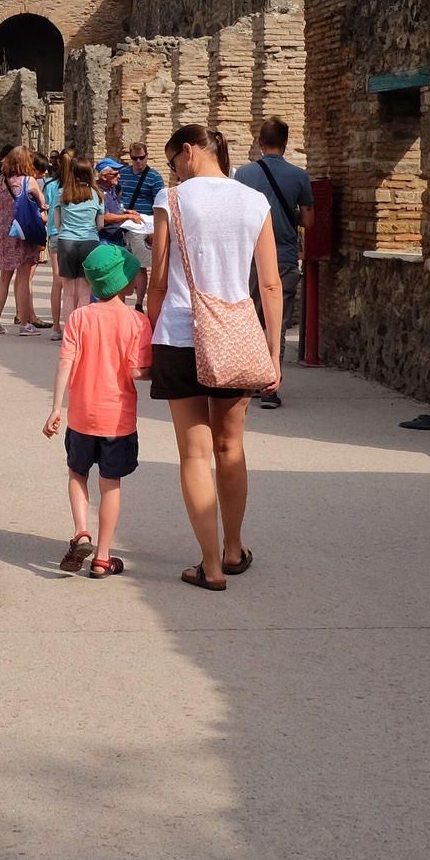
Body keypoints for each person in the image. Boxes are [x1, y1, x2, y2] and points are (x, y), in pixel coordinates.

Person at [145, 124, 282, 592]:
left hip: (181, 334)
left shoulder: (173, 199)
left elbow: (159, 280)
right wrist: (273, 350)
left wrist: (149, 334)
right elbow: (269, 284)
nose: (174, 171)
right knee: (231, 446)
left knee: (194, 452)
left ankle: (210, 565)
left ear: (188, 152)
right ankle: (233, 547)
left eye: (173, 161)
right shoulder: (253, 200)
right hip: (236, 337)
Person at [43, 242, 151, 580]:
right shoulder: (137, 322)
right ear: (123, 283)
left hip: (81, 415)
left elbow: (65, 362)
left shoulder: (79, 317)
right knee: (111, 483)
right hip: (117, 419)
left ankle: (81, 532)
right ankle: (103, 557)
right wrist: (155, 369)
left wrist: (56, 407)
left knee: (77, 474)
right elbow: (136, 372)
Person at [232, 116, 313, 409]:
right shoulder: (299, 176)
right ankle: (270, 385)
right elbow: (308, 220)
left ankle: (248, 380)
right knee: (276, 322)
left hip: (251, 256)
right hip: (284, 256)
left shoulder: (243, 174)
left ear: (260, 142)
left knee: (251, 317)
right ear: (286, 142)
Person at [0, 146, 49, 333]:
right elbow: (43, 203)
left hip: (5, 233)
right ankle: (24, 324)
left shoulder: (0, 180)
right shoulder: (28, 181)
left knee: (4, 278)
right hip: (23, 232)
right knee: (23, 279)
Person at [45, 150, 104, 341]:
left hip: (67, 241)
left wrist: (68, 230)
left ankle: (69, 333)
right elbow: (100, 224)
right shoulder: (97, 195)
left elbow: (57, 221)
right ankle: (82, 333)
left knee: (69, 293)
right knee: (85, 292)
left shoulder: (62, 193)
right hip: (89, 241)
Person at [114, 143, 164, 306]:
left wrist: (154, 230)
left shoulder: (154, 177)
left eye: (141, 158)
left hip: (142, 226)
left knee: (140, 266)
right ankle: (120, 301)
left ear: (147, 156)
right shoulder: (123, 173)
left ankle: (139, 303)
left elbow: (160, 205)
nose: (138, 161)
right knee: (121, 264)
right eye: (134, 158)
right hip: (122, 224)